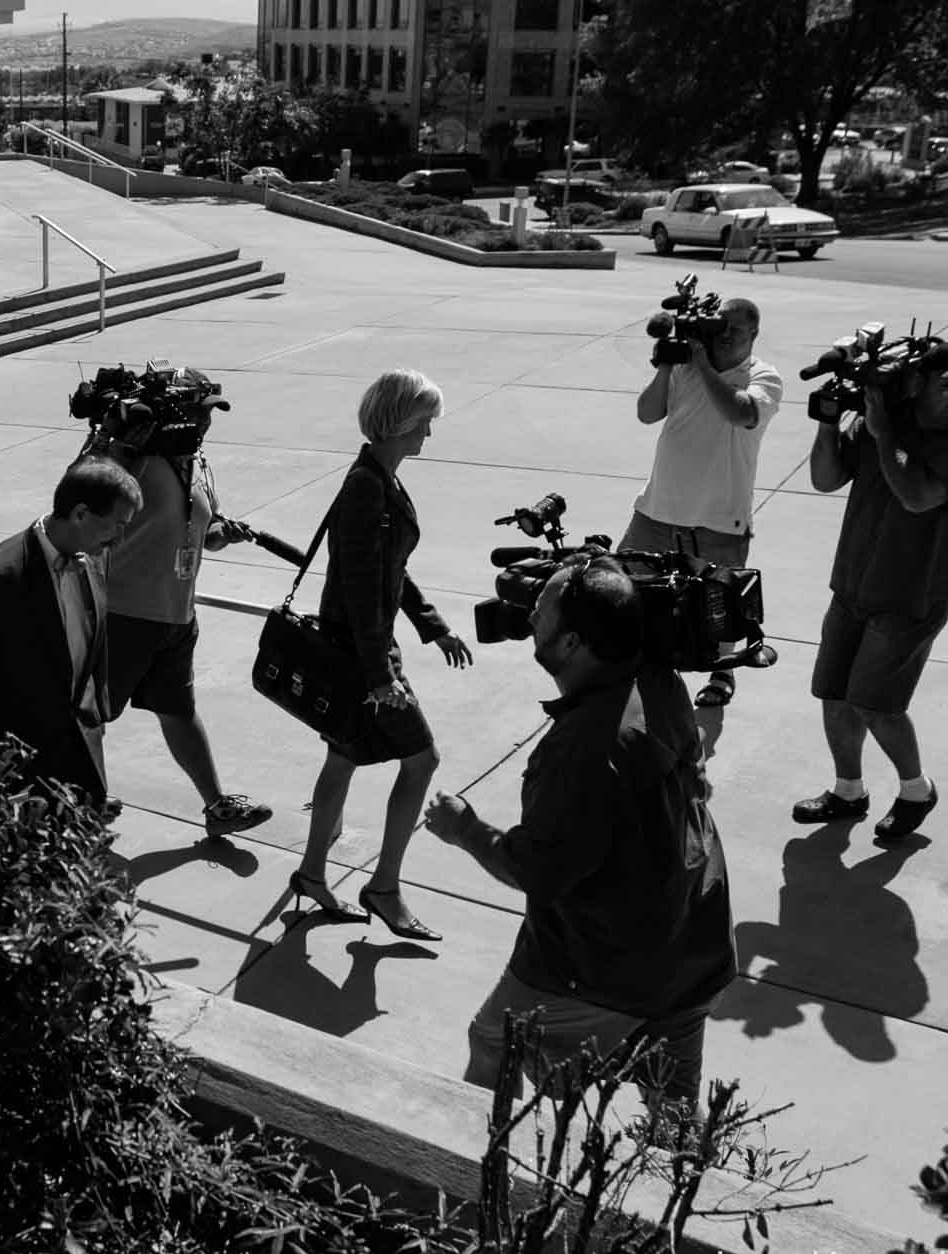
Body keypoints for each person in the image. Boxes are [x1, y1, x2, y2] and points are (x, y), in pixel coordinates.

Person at [424, 557, 735, 1110]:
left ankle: (482, 1176)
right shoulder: (658, 680)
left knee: (494, 1044)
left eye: (538, 615)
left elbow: (540, 871)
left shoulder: (584, 751)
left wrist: (465, 829)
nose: (526, 619)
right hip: (695, 941)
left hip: (608, 965)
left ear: (570, 644)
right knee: (672, 1121)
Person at [289, 371, 472, 941]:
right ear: (401, 424)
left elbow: (391, 568)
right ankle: (384, 887)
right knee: (422, 760)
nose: (429, 437)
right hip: (361, 654)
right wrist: (380, 674)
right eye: (425, 425)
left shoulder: (378, 477)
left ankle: (313, 877)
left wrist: (432, 626)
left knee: (342, 758)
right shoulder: (368, 486)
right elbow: (366, 590)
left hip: (355, 647)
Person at [793, 341, 948, 841]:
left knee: (878, 704)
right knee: (836, 694)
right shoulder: (878, 422)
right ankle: (848, 790)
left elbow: (917, 497)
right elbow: (824, 479)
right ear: (916, 385)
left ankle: (916, 789)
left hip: (913, 593)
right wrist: (829, 422)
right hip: (853, 582)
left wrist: (885, 434)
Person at [94, 388, 272, 839]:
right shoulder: (136, 460)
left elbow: (202, 531)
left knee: (178, 711)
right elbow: (89, 497)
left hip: (176, 614)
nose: (207, 423)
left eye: (210, 415)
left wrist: (218, 534)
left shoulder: (196, 462)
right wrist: (116, 443)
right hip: (125, 613)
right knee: (90, 715)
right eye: (200, 413)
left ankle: (217, 806)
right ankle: (80, 801)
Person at [0, 458, 142, 806]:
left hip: (80, 758)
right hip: (17, 774)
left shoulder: (93, 554)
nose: (120, 539)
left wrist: (96, 716)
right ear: (80, 514)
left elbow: (91, 644)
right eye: (117, 526)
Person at [626, 297, 783, 708]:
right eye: (721, 327)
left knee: (721, 604)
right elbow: (646, 413)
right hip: (659, 507)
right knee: (625, 588)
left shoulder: (763, 377)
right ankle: (635, 663)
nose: (727, 336)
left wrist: (703, 362)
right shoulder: (684, 367)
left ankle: (722, 672)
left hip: (719, 516)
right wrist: (667, 363)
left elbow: (737, 411)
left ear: (754, 334)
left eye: (738, 330)